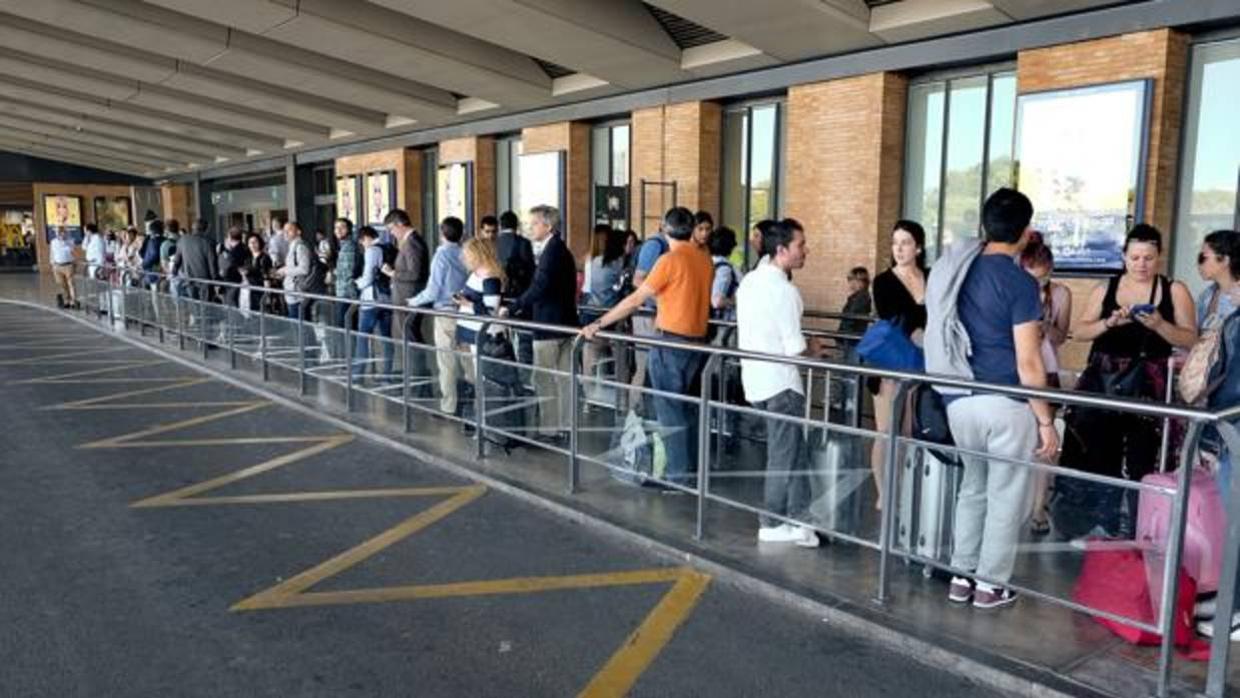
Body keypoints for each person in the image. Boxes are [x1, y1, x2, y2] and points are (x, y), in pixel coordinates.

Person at [925, 188, 1059, 609]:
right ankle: (990, 585)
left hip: (959, 399)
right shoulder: (1019, 283)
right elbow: (1029, 362)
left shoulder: (956, 270)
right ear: (1025, 232)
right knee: (1006, 494)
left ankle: (961, 578)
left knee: (973, 488)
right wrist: (1045, 420)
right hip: (1005, 402)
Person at [1066, 223, 1197, 538]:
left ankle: (1141, 529)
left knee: (1144, 459)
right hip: (1106, 381)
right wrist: (1110, 322)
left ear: (1159, 258)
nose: (1142, 264)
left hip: (1148, 385)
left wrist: (1159, 325)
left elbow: (1191, 338)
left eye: (1149, 258)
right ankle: (1104, 524)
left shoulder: (1173, 289)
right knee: (1101, 455)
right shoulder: (1105, 289)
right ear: (1124, 257)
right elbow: (1080, 332)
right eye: (1135, 257)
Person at [583, 207, 713, 488]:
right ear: (692, 229)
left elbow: (635, 300)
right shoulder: (704, 260)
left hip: (671, 341)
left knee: (669, 409)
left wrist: (599, 323)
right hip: (697, 343)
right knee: (687, 408)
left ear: (664, 229)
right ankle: (691, 468)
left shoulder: (669, 260)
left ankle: (678, 475)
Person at [737, 221, 827, 547]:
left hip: (757, 380)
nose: (806, 250)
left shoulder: (749, 281)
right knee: (783, 454)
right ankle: (772, 521)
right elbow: (795, 348)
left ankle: (801, 521)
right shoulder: (785, 291)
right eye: (801, 245)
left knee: (794, 452)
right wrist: (814, 349)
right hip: (781, 384)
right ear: (781, 250)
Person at [505, 205, 579, 443]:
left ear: (547, 226)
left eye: (534, 223)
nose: (530, 227)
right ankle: (565, 426)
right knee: (564, 379)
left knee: (544, 378)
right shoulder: (559, 249)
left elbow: (540, 286)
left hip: (549, 325)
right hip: (564, 322)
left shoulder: (552, 252)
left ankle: (550, 429)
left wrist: (514, 306)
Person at [868, 220, 928, 507]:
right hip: (891, 364)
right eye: (895, 243)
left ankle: (899, 485)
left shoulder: (929, 276)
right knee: (885, 430)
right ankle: (883, 491)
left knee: (905, 431)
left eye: (905, 242)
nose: (899, 248)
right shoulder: (883, 281)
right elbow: (894, 319)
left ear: (918, 246)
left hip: (919, 362)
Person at [1018, 232, 1071, 536]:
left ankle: (1039, 507)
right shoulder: (1014, 289)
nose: (1036, 285)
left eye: (1042, 278)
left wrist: (1045, 323)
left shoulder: (1061, 294)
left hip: (1046, 370)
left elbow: (1062, 336)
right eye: (1031, 278)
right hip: (1016, 370)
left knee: (1045, 442)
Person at [409, 217, 469, 415]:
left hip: (445, 313)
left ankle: (449, 406)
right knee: (468, 360)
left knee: (447, 361)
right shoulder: (466, 254)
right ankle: (473, 403)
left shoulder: (441, 256)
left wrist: (413, 301)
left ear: (442, 233)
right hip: (466, 312)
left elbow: (433, 290)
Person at [581, 225, 629, 391]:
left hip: (589, 308)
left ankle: (589, 395)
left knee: (591, 354)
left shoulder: (590, 260)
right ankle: (619, 395)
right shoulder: (619, 263)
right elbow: (622, 288)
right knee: (618, 355)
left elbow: (586, 288)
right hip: (611, 313)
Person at [384, 209, 430, 379]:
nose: (391, 233)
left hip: (409, 298)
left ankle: (418, 380)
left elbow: (415, 273)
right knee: (407, 338)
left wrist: (393, 273)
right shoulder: (408, 242)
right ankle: (414, 378)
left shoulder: (412, 243)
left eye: (392, 229)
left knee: (410, 340)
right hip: (404, 298)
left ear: (400, 224)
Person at [455, 237, 506, 384]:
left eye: (468, 255)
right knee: (474, 373)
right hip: (471, 329)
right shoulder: (476, 273)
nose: (465, 258)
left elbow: (490, 311)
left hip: (483, 332)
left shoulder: (491, 278)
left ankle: (484, 404)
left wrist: (467, 303)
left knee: (484, 375)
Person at [353, 226, 394, 379]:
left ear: (365, 238)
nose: (363, 246)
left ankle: (358, 373)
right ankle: (386, 374)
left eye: (362, 242)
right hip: (387, 299)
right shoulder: (388, 247)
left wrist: (357, 283)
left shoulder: (372, 250)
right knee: (386, 338)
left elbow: (368, 277)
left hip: (371, 300)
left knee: (362, 337)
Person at [274, 221, 314, 321]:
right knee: (298, 325)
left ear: (298, 232)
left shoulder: (300, 247)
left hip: (298, 293)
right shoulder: (292, 246)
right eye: (284, 230)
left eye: (289, 230)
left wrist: (284, 271)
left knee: (301, 326)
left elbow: (304, 269)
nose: (286, 233)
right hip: (292, 292)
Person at [172, 217, 219, 301]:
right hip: (205, 283)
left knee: (194, 308)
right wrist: (216, 281)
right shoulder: (208, 243)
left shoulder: (183, 240)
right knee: (206, 309)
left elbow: (177, 261)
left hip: (189, 281)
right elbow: (212, 264)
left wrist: (173, 273)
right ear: (206, 229)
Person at [708, 226, 740, 325]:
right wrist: (734, 302)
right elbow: (717, 301)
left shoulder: (707, 263)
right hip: (725, 323)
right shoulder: (724, 269)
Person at [216, 227, 250, 308]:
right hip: (237, 282)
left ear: (229, 237)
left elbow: (227, 267)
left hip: (232, 283)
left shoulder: (233, 252)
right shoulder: (244, 248)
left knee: (232, 305)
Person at [241, 234, 274, 312]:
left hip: (261, 290)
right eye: (250, 243)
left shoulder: (265, 258)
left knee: (263, 313)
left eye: (255, 242)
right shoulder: (248, 259)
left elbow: (267, 277)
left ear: (260, 243)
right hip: (251, 291)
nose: (252, 245)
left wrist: (267, 294)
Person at [839, 267, 872, 337]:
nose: (851, 283)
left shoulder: (861, 297)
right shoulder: (859, 296)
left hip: (850, 338)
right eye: (850, 279)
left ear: (863, 282)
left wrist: (843, 337)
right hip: (851, 337)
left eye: (855, 280)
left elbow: (850, 319)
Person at [49, 226, 78, 307]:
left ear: (65, 233)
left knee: (71, 284)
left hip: (68, 265)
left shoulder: (70, 241)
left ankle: (73, 301)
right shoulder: (53, 242)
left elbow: (74, 252)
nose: (61, 234)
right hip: (57, 266)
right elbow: (52, 253)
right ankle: (66, 300)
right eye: (59, 233)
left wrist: (75, 264)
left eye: (63, 232)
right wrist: (52, 264)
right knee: (62, 284)